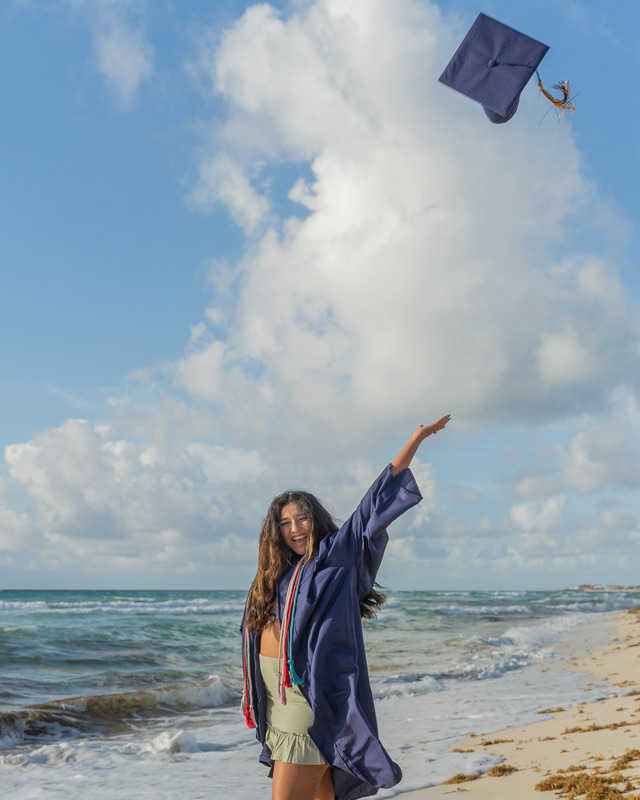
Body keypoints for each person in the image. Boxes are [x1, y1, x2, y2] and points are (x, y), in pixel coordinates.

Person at [241, 415, 451, 800]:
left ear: (315, 519)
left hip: (307, 702)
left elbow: (372, 505)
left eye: (301, 517)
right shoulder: (276, 574)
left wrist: (415, 441)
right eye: (285, 522)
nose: (295, 528)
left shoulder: (335, 557)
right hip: (274, 702)